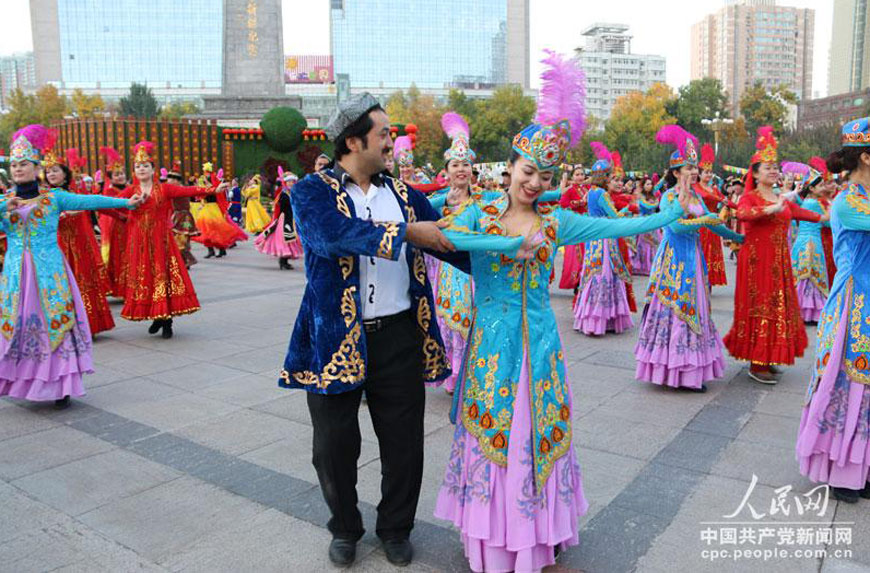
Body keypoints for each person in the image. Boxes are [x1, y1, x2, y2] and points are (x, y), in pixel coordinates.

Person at [433, 51, 690, 573]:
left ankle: (537, 541)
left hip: (542, 347)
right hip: (492, 346)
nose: (534, 182)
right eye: (528, 171)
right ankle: (494, 541)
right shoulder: (478, 215)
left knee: (536, 433)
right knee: (495, 433)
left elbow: (617, 229)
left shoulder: (555, 223)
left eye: (544, 175)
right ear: (510, 166)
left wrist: (668, 211)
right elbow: (443, 237)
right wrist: (506, 247)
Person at [281, 93, 470, 567]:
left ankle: (396, 528)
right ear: (353, 140)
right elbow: (330, 237)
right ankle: (344, 526)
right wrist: (406, 233)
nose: (391, 142)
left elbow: (451, 244)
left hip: (400, 336)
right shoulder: (311, 192)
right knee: (333, 446)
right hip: (334, 339)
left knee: (404, 443)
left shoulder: (407, 196)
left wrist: (507, 255)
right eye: (383, 134)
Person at [0, 124, 142, 408]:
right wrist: (5, 208)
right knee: (15, 324)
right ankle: (16, 379)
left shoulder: (53, 198)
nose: (18, 169)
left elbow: (89, 200)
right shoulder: (4, 202)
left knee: (54, 323)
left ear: (35, 167)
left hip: (49, 272)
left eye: (24, 164)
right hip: (16, 275)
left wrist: (127, 202)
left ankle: (60, 383)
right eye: (14, 165)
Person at [796, 116, 870, 503]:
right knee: (847, 381)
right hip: (853, 302)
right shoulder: (847, 201)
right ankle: (841, 469)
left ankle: (863, 463)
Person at [635, 125, 742, 392]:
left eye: (695, 167)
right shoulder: (669, 197)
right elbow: (676, 226)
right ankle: (673, 368)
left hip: (693, 258)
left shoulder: (696, 196)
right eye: (688, 168)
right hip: (673, 260)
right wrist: (705, 219)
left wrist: (740, 239)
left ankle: (691, 369)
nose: (694, 171)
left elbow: (714, 225)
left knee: (696, 307)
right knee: (675, 310)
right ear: (675, 173)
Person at [723, 127, 827, 384]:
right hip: (757, 263)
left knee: (777, 306)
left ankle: (768, 357)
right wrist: (771, 208)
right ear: (756, 173)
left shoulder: (781, 197)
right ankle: (757, 362)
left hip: (779, 262)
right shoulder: (749, 197)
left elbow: (809, 215)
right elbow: (743, 215)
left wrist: (833, 214)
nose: (773, 171)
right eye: (767, 167)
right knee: (760, 306)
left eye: (774, 167)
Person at [117, 142, 228, 338]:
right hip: (139, 244)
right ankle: (156, 316)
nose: (141, 169)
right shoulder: (129, 191)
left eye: (145, 166)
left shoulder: (165, 189)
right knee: (146, 279)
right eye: (137, 166)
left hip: (162, 241)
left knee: (164, 276)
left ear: (152, 170)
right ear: (134, 170)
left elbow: (189, 191)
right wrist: (123, 218)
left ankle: (166, 321)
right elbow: (110, 205)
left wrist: (214, 190)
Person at [425, 112, 479, 395]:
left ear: (472, 169)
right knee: (451, 318)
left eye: (466, 164)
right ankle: (454, 375)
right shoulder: (438, 201)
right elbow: (416, 215)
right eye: (456, 164)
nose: (461, 169)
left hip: (477, 268)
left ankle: (474, 373)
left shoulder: (483, 199)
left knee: (476, 318)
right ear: (446, 170)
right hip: (449, 269)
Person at [43, 143, 116, 336]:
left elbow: (96, 204)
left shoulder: (74, 194)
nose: (51, 174)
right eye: (48, 171)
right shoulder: (43, 198)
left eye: (55, 171)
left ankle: (89, 325)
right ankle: (65, 326)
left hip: (80, 247)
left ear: (65, 174)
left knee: (83, 282)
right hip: (58, 248)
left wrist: (124, 213)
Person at [573, 142, 634, 335]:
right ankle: (603, 319)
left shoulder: (591, 192)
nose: (612, 180)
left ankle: (591, 318)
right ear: (605, 177)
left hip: (593, 240)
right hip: (606, 240)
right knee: (606, 275)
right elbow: (614, 217)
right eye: (610, 176)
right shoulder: (603, 195)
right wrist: (627, 211)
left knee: (592, 275)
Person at [788, 162, 830, 323]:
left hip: (801, 242)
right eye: (820, 185)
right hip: (813, 242)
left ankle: (802, 312)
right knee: (813, 276)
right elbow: (827, 223)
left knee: (803, 276)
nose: (823, 187)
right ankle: (811, 314)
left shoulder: (806, 202)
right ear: (811, 188)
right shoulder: (814, 204)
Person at [694, 144, 731, 286]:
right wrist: (719, 199)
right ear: (699, 174)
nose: (709, 175)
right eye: (706, 172)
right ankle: (700, 277)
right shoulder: (697, 187)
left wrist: (737, 207)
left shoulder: (714, 188)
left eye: (710, 172)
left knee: (713, 251)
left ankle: (709, 280)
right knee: (702, 250)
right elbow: (704, 196)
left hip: (714, 225)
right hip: (702, 224)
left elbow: (726, 201)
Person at [192, 163, 246, 258]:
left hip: (213, 209)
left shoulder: (214, 186)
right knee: (206, 230)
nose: (205, 174)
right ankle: (213, 250)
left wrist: (205, 182)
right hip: (207, 208)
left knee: (214, 230)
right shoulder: (206, 184)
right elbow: (203, 194)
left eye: (206, 173)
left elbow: (213, 189)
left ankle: (219, 249)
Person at [255, 169, 303, 270]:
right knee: (285, 239)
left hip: (292, 219)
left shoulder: (294, 193)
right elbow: (279, 208)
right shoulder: (283, 194)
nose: (291, 183)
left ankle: (285, 261)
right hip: (284, 219)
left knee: (291, 240)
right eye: (288, 182)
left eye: (292, 182)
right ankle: (283, 261)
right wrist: (276, 219)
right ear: (285, 183)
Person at [98, 146, 130, 297]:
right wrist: (121, 216)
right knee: (119, 257)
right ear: (110, 178)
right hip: (117, 228)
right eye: (116, 175)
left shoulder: (131, 188)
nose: (120, 177)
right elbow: (105, 208)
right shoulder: (110, 192)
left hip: (131, 227)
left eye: (122, 173)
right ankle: (121, 288)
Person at [557, 165, 588, 292]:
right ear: (572, 177)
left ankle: (585, 280)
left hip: (587, 224)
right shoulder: (569, 190)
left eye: (582, 174)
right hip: (575, 226)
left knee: (587, 252)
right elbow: (562, 205)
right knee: (576, 254)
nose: (580, 177)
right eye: (577, 174)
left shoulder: (588, 189)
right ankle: (577, 281)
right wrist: (579, 202)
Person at [167, 161, 200, 269]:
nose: (168, 181)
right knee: (181, 239)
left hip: (185, 218)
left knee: (182, 239)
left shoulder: (180, 189)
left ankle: (189, 259)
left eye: (170, 179)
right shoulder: (175, 189)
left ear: (176, 180)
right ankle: (185, 262)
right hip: (178, 216)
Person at [630, 175, 661, 276]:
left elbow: (659, 185)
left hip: (653, 222)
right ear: (643, 186)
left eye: (651, 184)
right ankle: (644, 266)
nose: (650, 186)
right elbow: (648, 206)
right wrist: (656, 203)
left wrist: (665, 176)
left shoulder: (652, 195)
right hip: (645, 222)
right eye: (647, 184)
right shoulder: (641, 197)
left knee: (655, 244)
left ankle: (654, 265)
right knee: (645, 245)